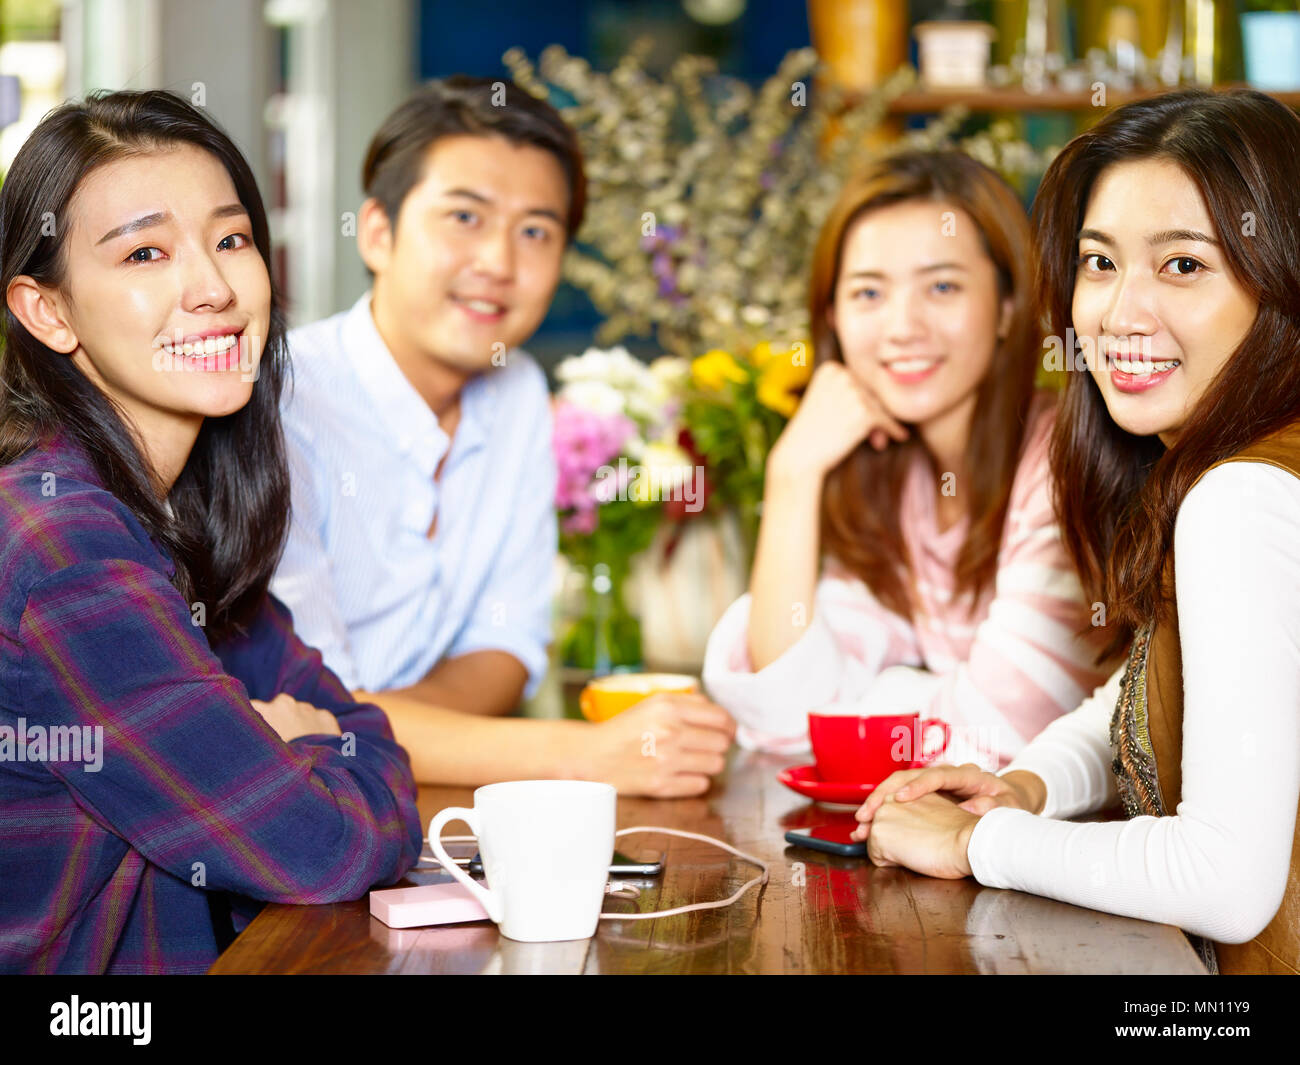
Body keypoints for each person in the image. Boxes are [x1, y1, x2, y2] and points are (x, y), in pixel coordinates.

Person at [854, 88, 1300, 976]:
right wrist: (1029, 781)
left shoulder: (1242, 498)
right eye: (1100, 263)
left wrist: (980, 840)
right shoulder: (1240, 468)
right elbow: (1165, 690)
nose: (1119, 314)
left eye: (1182, 266)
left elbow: (1223, 881)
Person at [0, 90, 423, 975]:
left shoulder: (169, 510)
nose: (215, 289)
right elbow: (323, 849)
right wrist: (300, 747)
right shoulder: (64, 548)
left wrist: (310, 744)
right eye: (146, 252)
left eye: (231, 239)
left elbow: (361, 725)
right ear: (48, 311)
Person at [272, 77, 734, 796]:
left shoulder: (514, 390)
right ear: (377, 232)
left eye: (535, 231)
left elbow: (506, 646)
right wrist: (585, 754)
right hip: (285, 837)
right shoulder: (281, 402)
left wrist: (374, 736)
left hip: (426, 809)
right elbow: (302, 710)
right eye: (464, 216)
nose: (499, 262)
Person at [702, 150, 1114, 769]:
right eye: (868, 292)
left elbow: (1007, 732)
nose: (902, 327)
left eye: (942, 286)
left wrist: (884, 696)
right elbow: (785, 712)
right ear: (834, 318)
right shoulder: (898, 479)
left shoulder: (1064, 463)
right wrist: (792, 475)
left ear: (1007, 306)